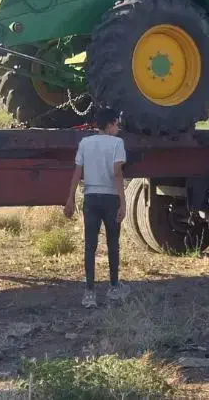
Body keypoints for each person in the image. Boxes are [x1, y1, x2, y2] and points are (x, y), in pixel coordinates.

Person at [63, 107, 130, 308]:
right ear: (110, 124)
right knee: (113, 244)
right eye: (117, 124)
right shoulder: (117, 143)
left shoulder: (85, 143)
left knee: (90, 246)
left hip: (90, 198)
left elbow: (77, 173)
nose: (118, 128)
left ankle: (89, 293)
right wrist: (123, 201)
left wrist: (70, 199)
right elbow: (117, 173)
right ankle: (113, 287)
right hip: (110, 199)